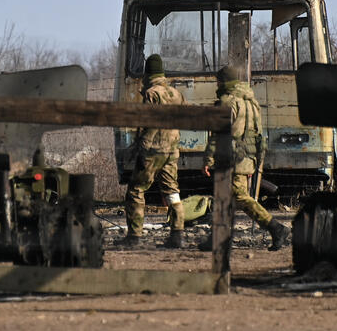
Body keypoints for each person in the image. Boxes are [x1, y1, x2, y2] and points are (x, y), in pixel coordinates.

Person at [202, 65, 290, 251]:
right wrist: (259, 158)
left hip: (231, 158)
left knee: (240, 197)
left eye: (218, 81)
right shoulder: (251, 102)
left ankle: (276, 228)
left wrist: (209, 159)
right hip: (248, 157)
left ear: (223, 82)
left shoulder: (228, 103)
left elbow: (219, 134)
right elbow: (259, 134)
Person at [119, 54, 187, 248]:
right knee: (172, 191)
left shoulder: (151, 93)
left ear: (148, 73)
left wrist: (141, 145)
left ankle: (134, 237)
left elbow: (147, 123)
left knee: (136, 190)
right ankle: (177, 234)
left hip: (153, 151)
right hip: (172, 151)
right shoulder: (176, 93)